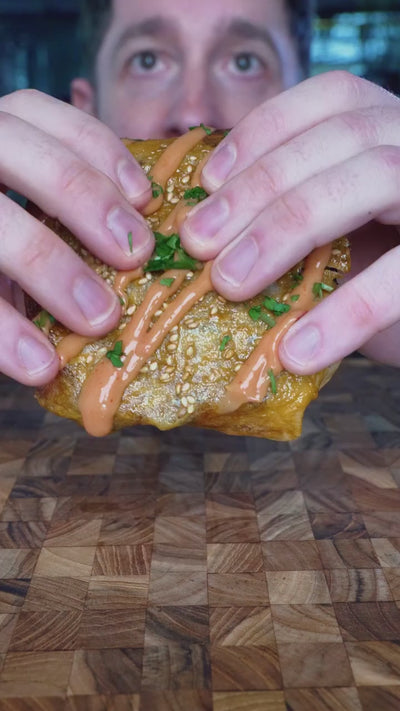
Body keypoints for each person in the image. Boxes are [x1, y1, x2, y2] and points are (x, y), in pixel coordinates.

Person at [0, 0, 399, 389]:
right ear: (84, 110)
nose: (194, 112)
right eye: (147, 61)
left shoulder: (360, 256)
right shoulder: (20, 291)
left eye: (244, 62)